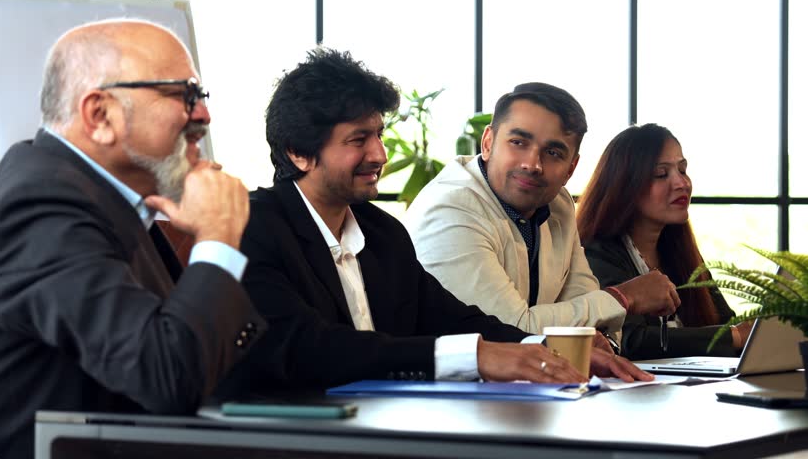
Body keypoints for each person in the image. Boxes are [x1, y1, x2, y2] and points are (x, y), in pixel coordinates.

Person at [219, 49, 649, 398]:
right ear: (298, 151)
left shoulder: (382, 234)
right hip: (290, 442)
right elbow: (309, 348)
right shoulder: (253, 227)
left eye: (379, 135)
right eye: (358, 140)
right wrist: (476, 357)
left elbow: (451, 316)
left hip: (385, 432)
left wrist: (543, 348)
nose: (380, 155)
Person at [0, 19, 266, 458]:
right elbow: (167, 377)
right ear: (100, 115)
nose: (203, 114)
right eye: (182, 95)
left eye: (201, 96)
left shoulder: (105, 200)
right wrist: (218, 241)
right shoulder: (41, 203)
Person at [404, 83, 680, 342]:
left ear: (571, 168)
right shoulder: (451, 208)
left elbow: (591, 319)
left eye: (553, 152)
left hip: (525, 384)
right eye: (518, 142)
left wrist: (596, 336)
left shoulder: (558, 204)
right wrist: (622, 298)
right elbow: (508, 332)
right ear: (488, 143)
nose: (533, 164)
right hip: (443, 388)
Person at [576, 123, 744, 360]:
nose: (681, 183)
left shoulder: (682, 253)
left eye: (683, 170)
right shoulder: (595, 252)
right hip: (635, 394)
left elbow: (727, 322)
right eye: (661, 174)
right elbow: (630, 341)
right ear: (625, 186)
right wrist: (734, 337)